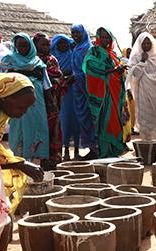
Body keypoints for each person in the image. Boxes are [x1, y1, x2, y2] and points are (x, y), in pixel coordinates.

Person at [0, 73, 44, 251]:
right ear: (5, 97)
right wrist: (20, 164)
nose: (23, 113)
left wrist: (19, 163)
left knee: (1, 209)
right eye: (21, 107)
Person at [0, 33, 50, 162]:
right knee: (18, 128)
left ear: (30, 46)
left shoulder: (37, 62)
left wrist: (51, 103)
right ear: (16, 46)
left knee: (37, 127)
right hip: (16, 103)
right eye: (20, 46)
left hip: (36, 102)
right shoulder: (9, 60)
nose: (23, 49)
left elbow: (46, 85)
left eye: (25, 46)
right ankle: (19, 159)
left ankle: (35, 160)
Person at [83, 27, 127, 158]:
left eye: (108, 37)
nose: (105, 40)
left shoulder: (112, 53)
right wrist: (114, 70)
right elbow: (92, 69)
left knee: (115, 119)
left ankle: (115, 148)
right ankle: (105, 150)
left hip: (115, 91)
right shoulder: (94, 52)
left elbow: (115, 69)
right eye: (102, 37)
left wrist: (119, 70)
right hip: (104, 93)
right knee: (106, 119)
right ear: (98, 37)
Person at [128, 32, 156, 142]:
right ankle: (147, 142)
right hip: (143, 89)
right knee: (145, 116)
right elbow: (135, 74)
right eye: (144, 43)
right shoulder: (136, 57)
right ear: (140, 44)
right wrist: (142, 61)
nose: (146, 45)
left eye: (148, 43)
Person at [33, 33, 65, 168]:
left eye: (48, 45)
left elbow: (58, 77)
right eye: (43, 45)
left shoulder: (52, 60)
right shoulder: (32, 60)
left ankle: (54, 158)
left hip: (52, 100)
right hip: (37, 100)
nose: (46, 47)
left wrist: (50, 79)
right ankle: (41, 158)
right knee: (39, 129)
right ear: (35, 45)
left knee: (54, 128)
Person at [51, 34, 80, 161]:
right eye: (60, 43)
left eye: (65, 43)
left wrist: (73, 76)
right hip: (60, 94)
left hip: (74, 91)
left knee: (75, 120)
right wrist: (62, 77)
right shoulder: (52, 58)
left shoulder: (73, 55)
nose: (63, 45)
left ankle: (77, 150)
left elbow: (79, 70)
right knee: (63, 122)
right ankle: (65, 150)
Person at [70, 24, 96, 159]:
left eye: (78, 33)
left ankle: (95, 149)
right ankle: (91, 148)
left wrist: (77, 77)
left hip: (88, 88)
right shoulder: (75, 48)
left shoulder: (88, 49)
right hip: (78, 89)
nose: (75, 36)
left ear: (83, 33)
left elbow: (90, 70)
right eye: (73, 33)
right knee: (83, 118)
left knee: (91, 117)